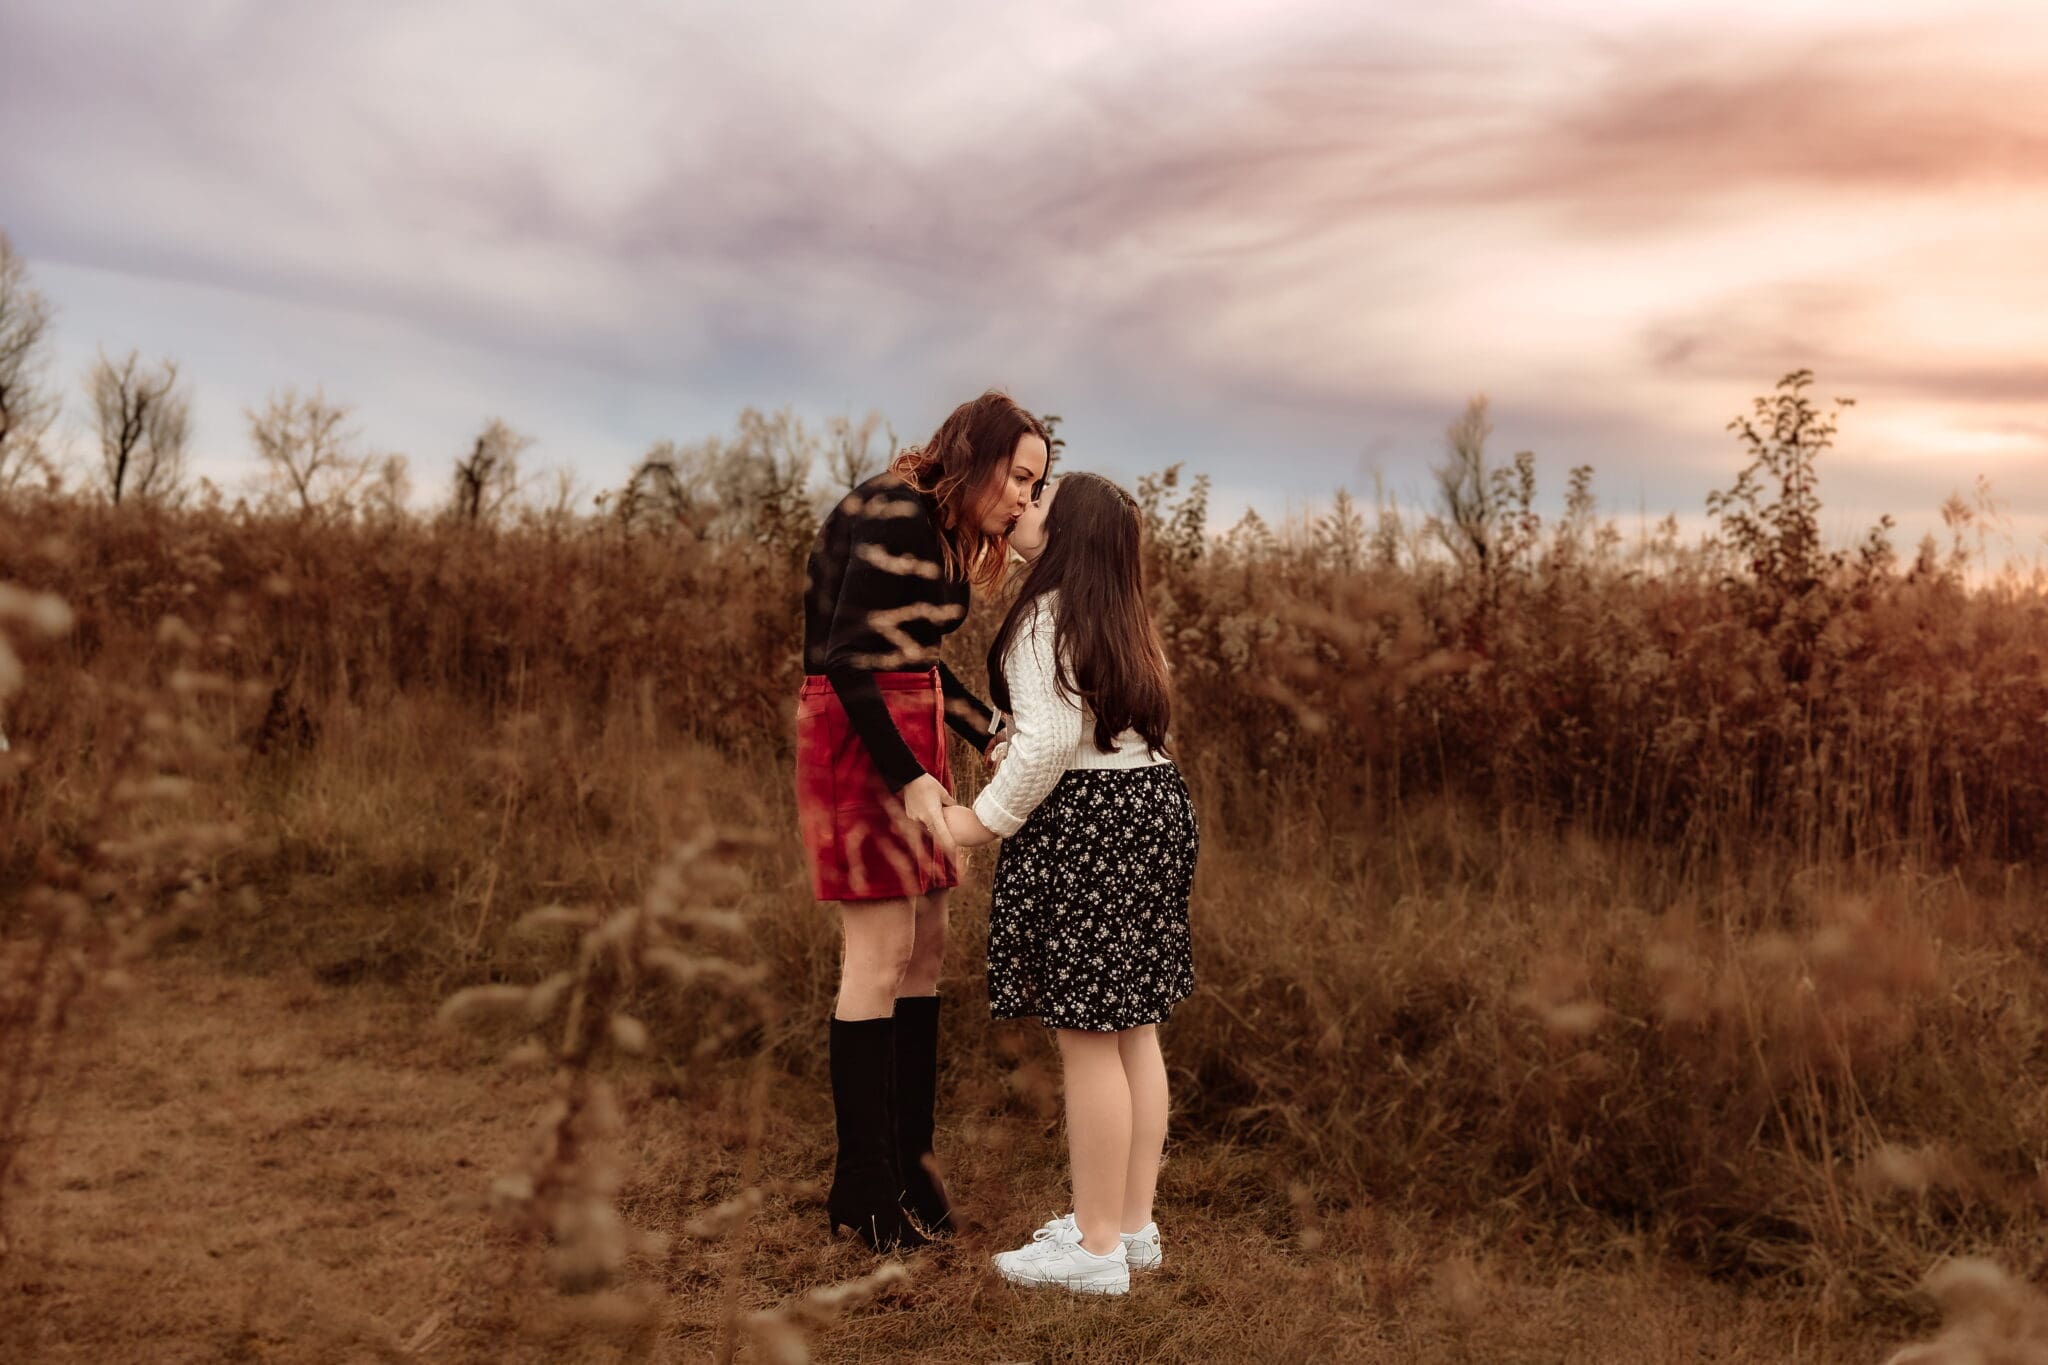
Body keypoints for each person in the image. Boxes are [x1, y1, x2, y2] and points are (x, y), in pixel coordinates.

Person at [795, 390, 1051, 1251]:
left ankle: (909, 1162)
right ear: (975, 456)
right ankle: (859, 1182)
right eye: (1018, 477)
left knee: (928, 945)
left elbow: (918, 659)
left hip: (906, 721)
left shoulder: (937, 530)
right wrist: (907, 777)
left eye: (1036, 484)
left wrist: (985, 729)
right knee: (879, 952)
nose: (1024, 498)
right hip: (857, 730)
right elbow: (849, 658)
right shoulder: (897, 511)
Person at [944, 472, 1199, 1296]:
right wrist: (1023, 741)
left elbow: (1053, 746)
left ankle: (1092, 1252)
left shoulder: (1044, 617)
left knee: (1088, 1035)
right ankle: (1131, 1227)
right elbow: (1078, 723)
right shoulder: (1125, 620)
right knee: (1134, 1028)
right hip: (1153, 807)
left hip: (1092, 825)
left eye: (1042, 503)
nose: (1025, 506)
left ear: (1069, 538)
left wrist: (978, 819)